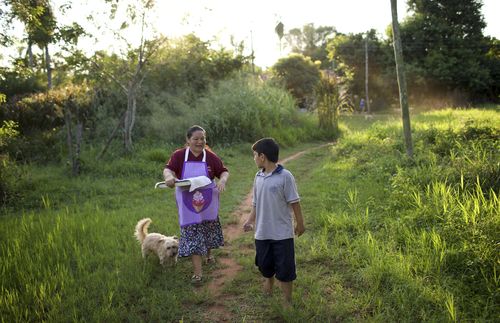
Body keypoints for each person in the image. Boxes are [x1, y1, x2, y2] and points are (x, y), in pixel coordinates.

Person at [163, 125, 229, 284]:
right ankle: (198, 273)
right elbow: (168, 170)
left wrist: (222, 180)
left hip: (207, 201)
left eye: (203, 139)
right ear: (188, 140)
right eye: (196, 139)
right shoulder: (179, 155)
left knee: (207, 227)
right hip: (187, 204)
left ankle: (209, 254)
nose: (200, 142)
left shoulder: (210, 157)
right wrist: (169, 178)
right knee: (193, 232)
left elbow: (223, 171)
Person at [243, 138, 305, 306]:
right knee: (265, 264)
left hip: (282, 233)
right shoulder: (258, 177)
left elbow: (294, 202)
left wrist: (300, 223)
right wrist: (249, 220)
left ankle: (287, 300)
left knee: (285, 269)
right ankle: (269, 280)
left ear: (262, 156)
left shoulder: (285, 176)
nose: (254, 158)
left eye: (255, 155)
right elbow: (255, 203)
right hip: (262, 232)